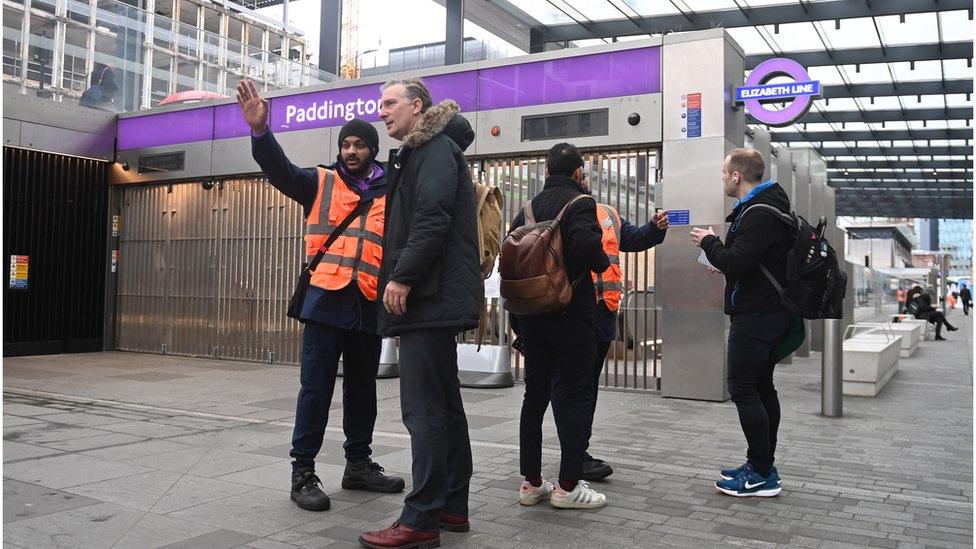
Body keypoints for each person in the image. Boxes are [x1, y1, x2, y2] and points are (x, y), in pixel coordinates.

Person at [235, 79, 405, 513]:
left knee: (363, 390)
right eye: (345, 144)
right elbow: (280, 172)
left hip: (368, 301)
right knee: (315, 389)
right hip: (326, 301)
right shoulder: (319, 182)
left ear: (372, 149)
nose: (351, 151)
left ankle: (358, 464)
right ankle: (302, 472)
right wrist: (260, 133)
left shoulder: (392, 191)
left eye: (359, 145)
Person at [359, 78, 482, 549]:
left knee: (424, 410)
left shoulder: (431, 150)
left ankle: (422, 517)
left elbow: (432, 217)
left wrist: (402, 275)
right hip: (437, 297)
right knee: (446, 407)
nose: (383, 112)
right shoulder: (429, 150)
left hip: (427, 298)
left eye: (390, 104)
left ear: (417, 106)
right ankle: (452, 505)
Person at [508, 143, 611, 510]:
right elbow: (589, 252)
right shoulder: (580, 203)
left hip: (533, 317)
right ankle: (568, 486)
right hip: (570, 314)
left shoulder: (527, 209)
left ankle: (532, 483)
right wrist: (600, 258)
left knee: (534, 397)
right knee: (575, 394)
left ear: (547, 168)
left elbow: (514, 263)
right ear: (578, 172)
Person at [690, 148, 791, 498]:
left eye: (723, 172)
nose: (721, 178)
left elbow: (737, 262)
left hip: (757, 315)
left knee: (743, 387)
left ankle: (761, 472)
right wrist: (722, 257)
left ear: (737, 176)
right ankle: (760, 465)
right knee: (762, 388)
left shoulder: (759, 213)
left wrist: (709, 242)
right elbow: (745, 263)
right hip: (765, 310)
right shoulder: (766, 208)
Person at [582, 200, 669, 482]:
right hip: (569, 313)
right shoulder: (558, 209)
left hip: (602, 313)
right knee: (563, 388)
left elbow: (634, 238)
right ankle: (557, 461)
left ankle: (577, 451)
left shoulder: (608, 213)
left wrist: (654, 228)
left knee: (585, 387)